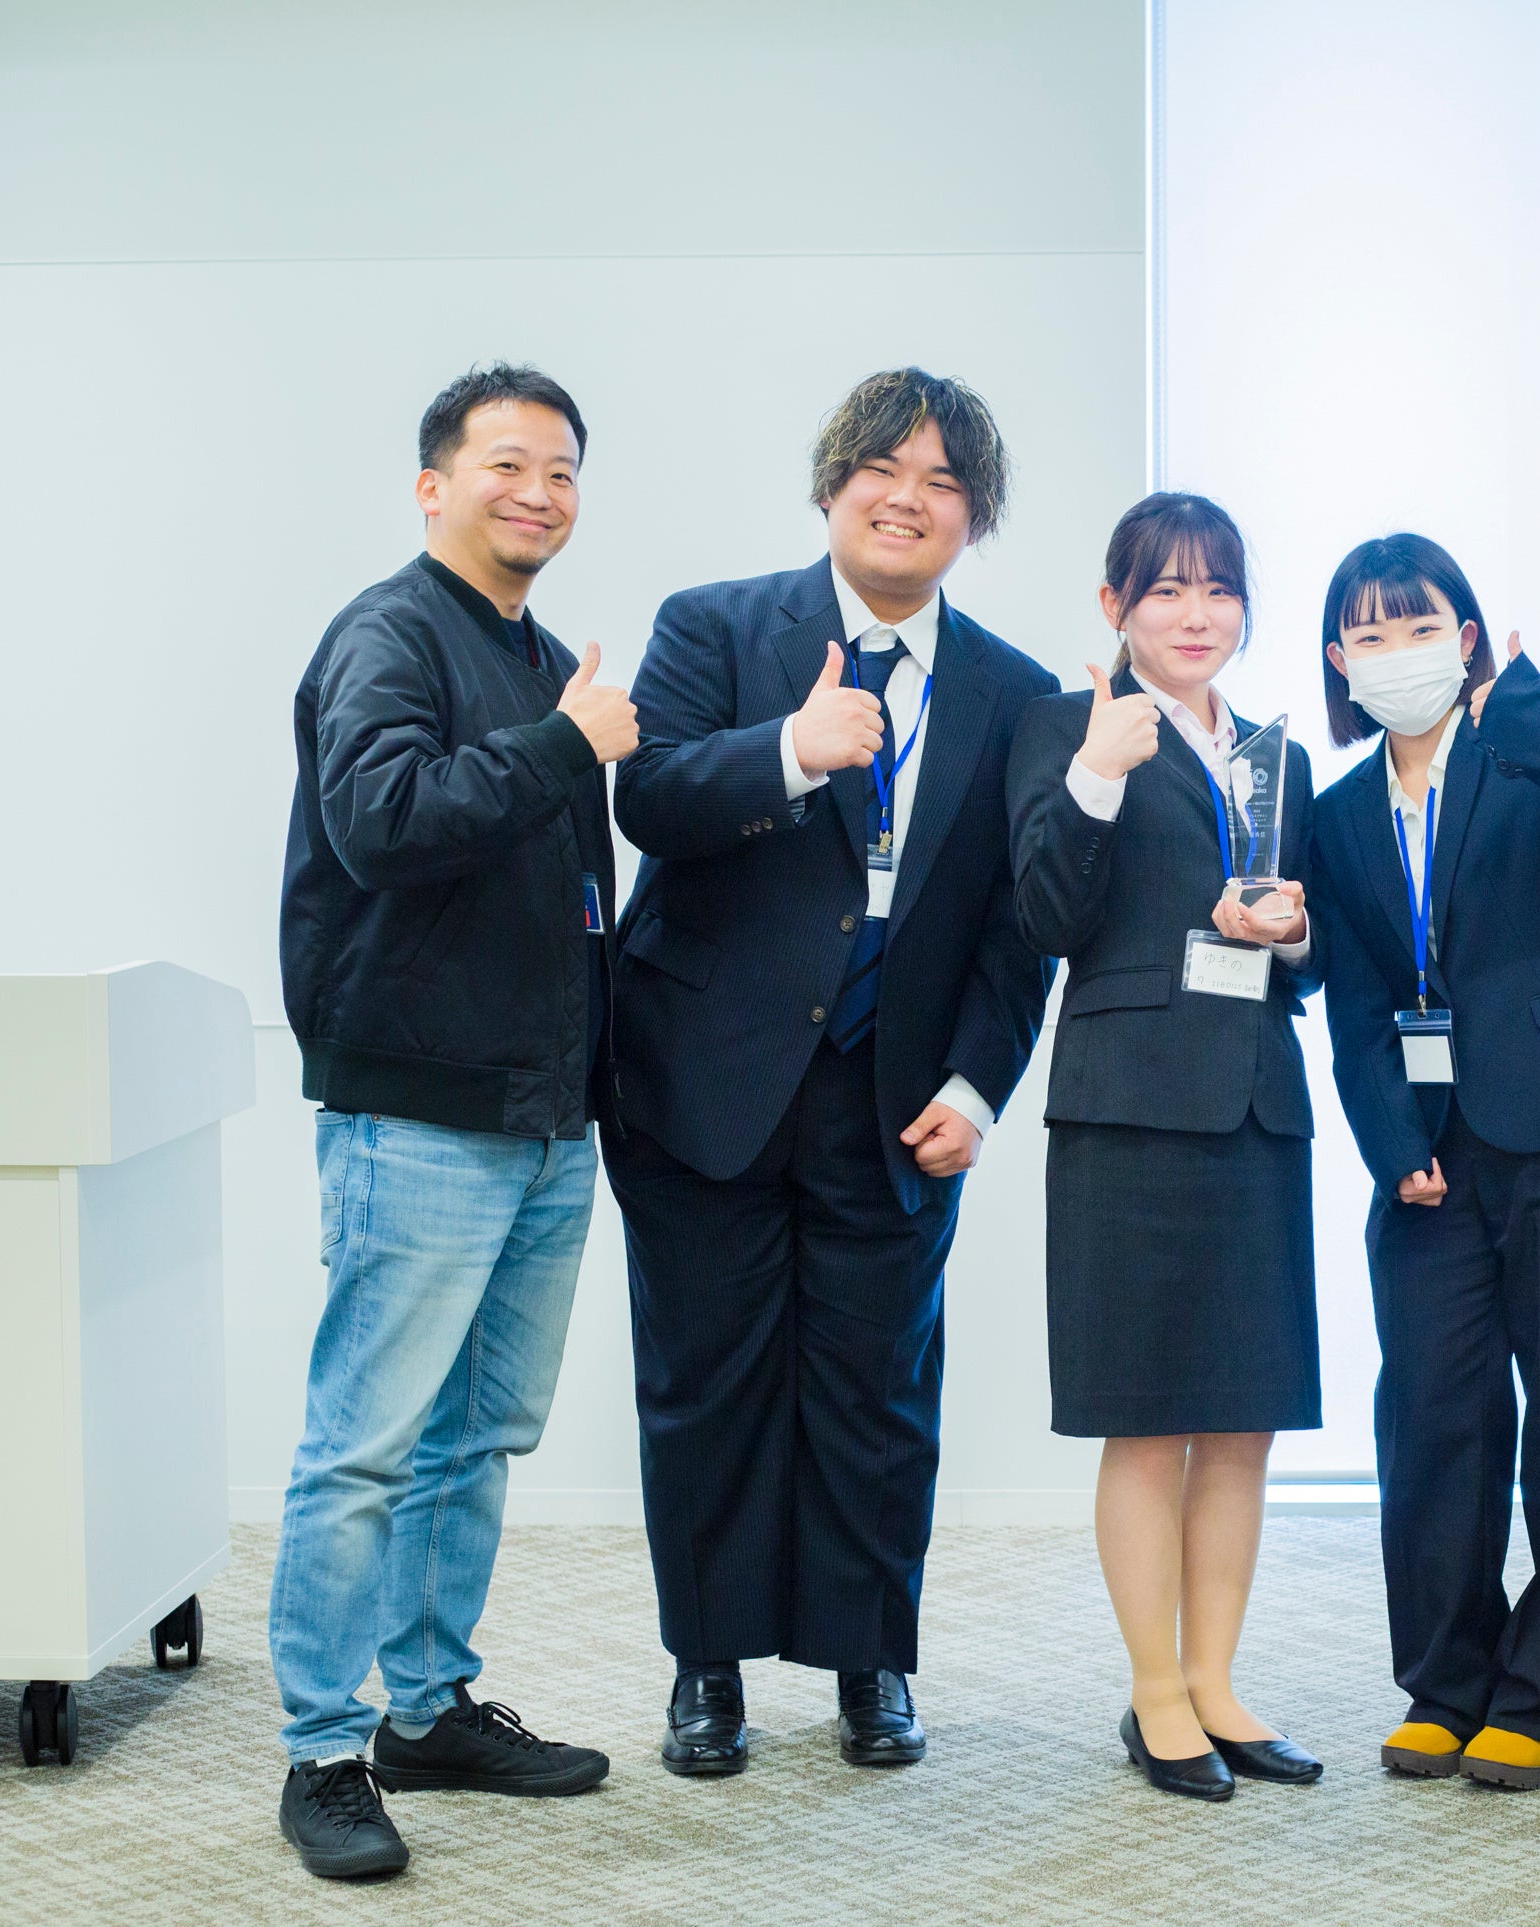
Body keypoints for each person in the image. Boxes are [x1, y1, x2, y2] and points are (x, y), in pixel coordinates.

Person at [605, 368, 1057, 1778]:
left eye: (942, 481)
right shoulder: (714, 625)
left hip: (897, 1098)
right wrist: (789, 753)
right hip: (705, 1084)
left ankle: (872, 1662)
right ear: (830, 483)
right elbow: (647, 796)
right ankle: (708, 1666)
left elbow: (1016, 922)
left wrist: (979, 1086)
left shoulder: (1013, 691)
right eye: (883, 468)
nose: (907, 497)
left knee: (879, 1392)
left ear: (973, 517)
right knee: (707, 1384)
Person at [274, 363, 626, 1879]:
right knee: (363, 1446)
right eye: (506, 463)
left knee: (477, 1436)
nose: (537, 491)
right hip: (418, 1115)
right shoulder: (389, 633)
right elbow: (381, 821)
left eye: (561, 469)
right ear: (434, 486)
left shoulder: (541, 655)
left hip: (544, 1118)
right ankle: (322, 1749)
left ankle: (426, 1706)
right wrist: (568, 744)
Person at [1306, 534, 1540, 1792]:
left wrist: (1525, 703)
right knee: (1432, 1421)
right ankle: (1446, 1682)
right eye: (1369, 633)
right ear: (1339, 660)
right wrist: (1390, 1142)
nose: (1395, 651)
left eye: (1419, 626)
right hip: (1429, 1157)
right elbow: (1356, 1003)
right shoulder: (1334, 813)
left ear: (1465, 639)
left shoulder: (1525, 751)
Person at [1006, 492, 1324, 1802]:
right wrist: (1097, 773)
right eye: (1167, 588)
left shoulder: (1273, 754)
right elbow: (1044, 914)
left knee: (1241, 1422)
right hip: (1128, 1110)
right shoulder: (1066, 726)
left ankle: (1217, 1681)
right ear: (1114, 606)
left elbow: (1306, 954)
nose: (1197, 613)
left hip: (1254, 1106)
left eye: (1219, 588)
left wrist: (1291, 934)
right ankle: (1153, 1693)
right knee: (1144, 1425)